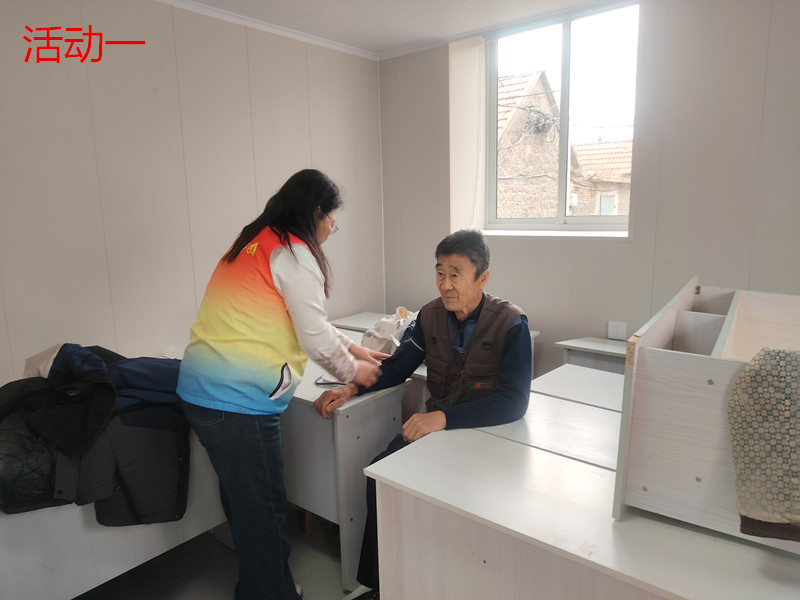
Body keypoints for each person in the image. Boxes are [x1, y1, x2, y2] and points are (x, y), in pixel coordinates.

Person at [177, 169, 386, 600]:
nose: (330, 230)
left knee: (245, 502)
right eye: (332, 221)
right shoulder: (293, 253)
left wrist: (354, 347)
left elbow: (303, 317)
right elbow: (313, 336)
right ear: (317, 213)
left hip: (203, 392)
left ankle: (263, 583)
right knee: (264, 507)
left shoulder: (255, 241)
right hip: (236, 401)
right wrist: (354, 371)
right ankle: (271, 592)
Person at [314, 229, 532, 599]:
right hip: (437, 430)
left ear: (482, 277)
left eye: (455, 274)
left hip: (487, 437)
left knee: (471, 506)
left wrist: (443, 419)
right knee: (381, 475)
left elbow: (515, 402)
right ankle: (381, 583)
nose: (445, 284)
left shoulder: (511, 323)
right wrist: (350, 387)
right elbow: (396, 368)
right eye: (439, 273)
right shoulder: (429, 316)